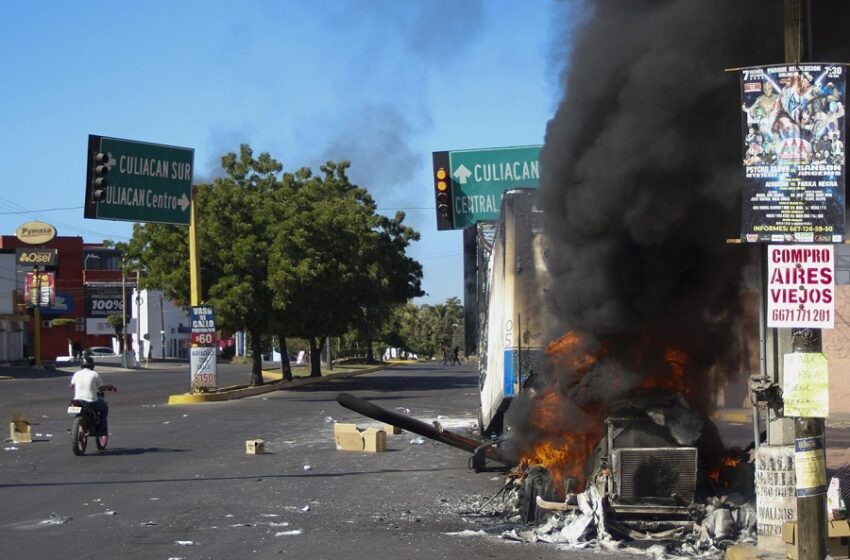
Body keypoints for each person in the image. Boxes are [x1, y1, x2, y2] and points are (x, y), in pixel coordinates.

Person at [70, 356, 116, 435]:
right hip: (91, 401)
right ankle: (102, 430)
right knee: (104, 408)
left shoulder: (76, 374)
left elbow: (71, 385)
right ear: (92, 365)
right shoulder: (95, 374)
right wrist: (110, 387)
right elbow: (102, 388)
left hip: (77, 400)